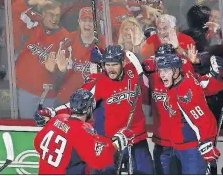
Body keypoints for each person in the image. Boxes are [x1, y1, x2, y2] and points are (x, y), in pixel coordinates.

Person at [35, 45, 154, 174]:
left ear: (122, 63)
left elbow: (153, 62)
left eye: (114, 64)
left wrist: (151, 63)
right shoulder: (99, 81)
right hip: (111, 143)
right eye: (107, 64)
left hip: (137, 138)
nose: (110, 69)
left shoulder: (134, 71)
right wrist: (53, 112)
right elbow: (78, 103)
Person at [143, 44, 223, 174]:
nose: (162, 72)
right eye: (160, 64)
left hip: (188, 145)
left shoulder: (185, 81)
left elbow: (201, 115)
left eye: (167, 62)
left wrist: (218, 75)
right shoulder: (153, 77)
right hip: (165, 143)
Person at [34, 89, 133, 174]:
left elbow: (37, 143)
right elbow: (98, 161)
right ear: (89, 108)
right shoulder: (83, 129)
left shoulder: (58, 118)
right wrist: (117, 143)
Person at [12, 0, 71, 118]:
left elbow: (65, 70)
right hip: (26, 90)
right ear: (42, 14)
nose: (55, 18)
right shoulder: (33, 25)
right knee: (27, 129)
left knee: (47, 129)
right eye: (51, 14)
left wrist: (55, 70)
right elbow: (14, 11)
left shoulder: (65, 37)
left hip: (49, 95)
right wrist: (34, 2)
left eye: (57, 15)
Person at [56, 6, 105, 105]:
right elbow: (57, 76)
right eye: (84, 20)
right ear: (79, 21)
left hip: (93, 97)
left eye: (91, 20)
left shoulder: (103, 43)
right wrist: (61, 71)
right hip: (68, 95)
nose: (87, 24)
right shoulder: (69, 40)